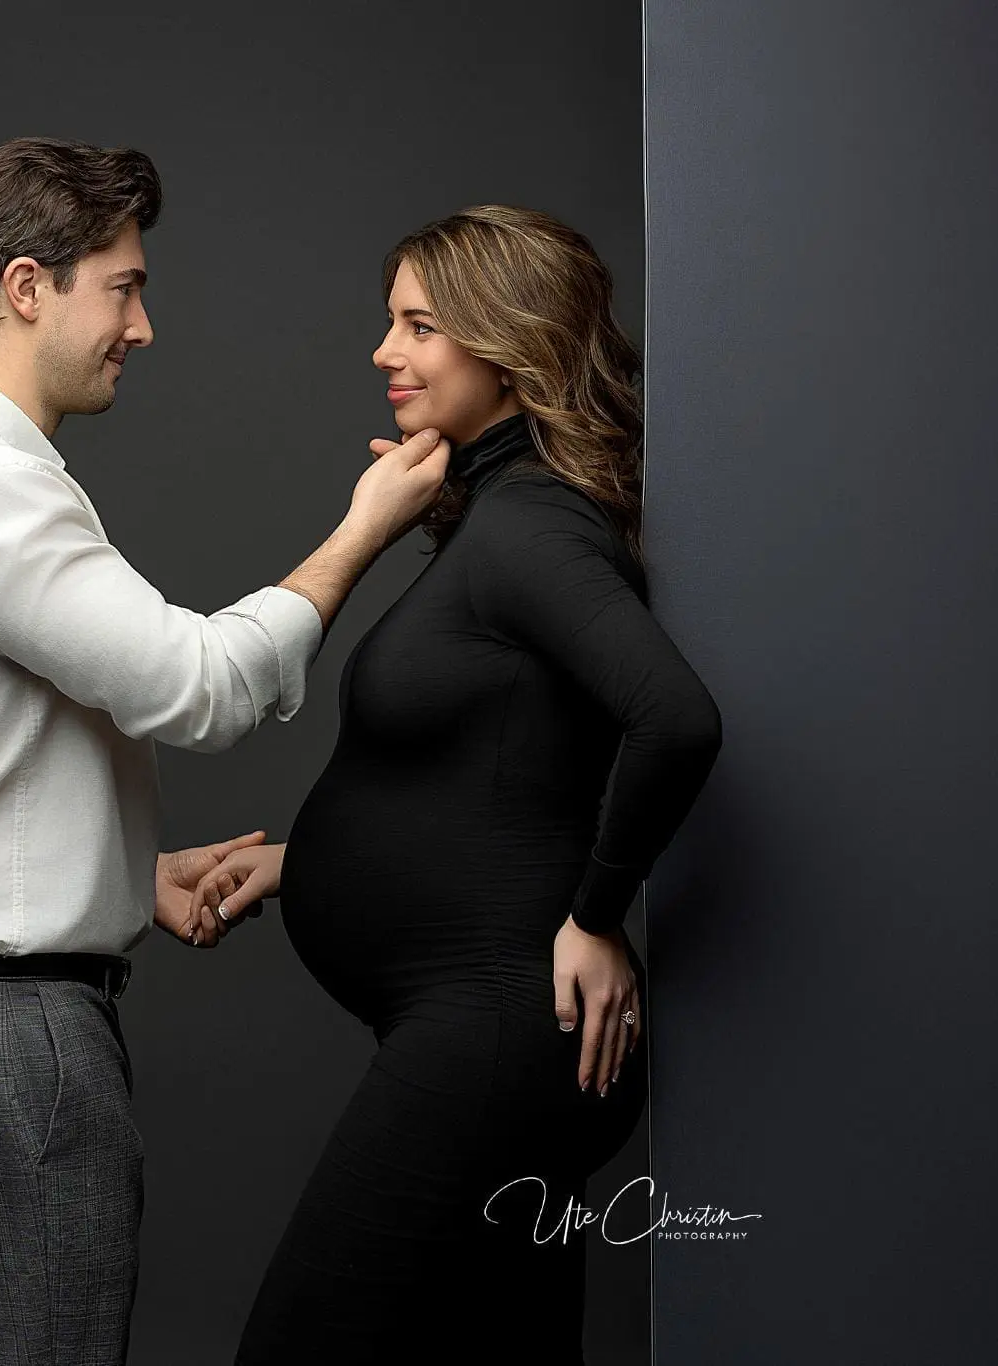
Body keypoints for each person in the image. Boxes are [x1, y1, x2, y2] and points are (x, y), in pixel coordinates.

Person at [0, 136, 450, 1366]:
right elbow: (200, 689)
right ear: (23, 288)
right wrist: (359, 534)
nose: (142, 325)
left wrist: (115, 872)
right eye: (123, 286)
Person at [195, 205, 723, 1364]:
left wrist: (594, 913)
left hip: (497, 1038)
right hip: (487, 1031)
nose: (384, 352)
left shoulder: (529, 525)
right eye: (390, 322)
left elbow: (672, 719)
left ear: (506, 338)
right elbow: (502, 763)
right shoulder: (492, 513)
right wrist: (304, 863)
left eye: (417, 325)